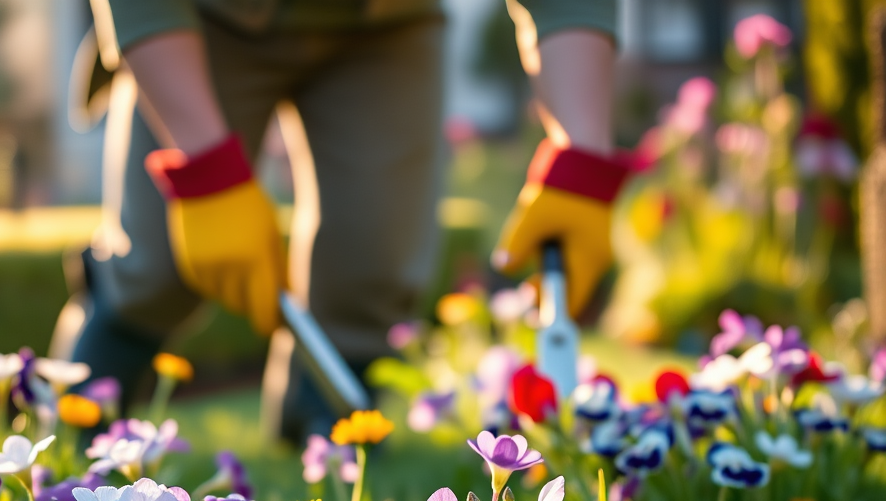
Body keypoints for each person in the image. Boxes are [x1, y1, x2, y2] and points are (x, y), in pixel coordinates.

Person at [59, 0, 629, 441]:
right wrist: (205, 171)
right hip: (206, 18)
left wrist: (582, 158)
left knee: (371, 265)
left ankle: (325, 435)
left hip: (385, 26)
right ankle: (74, 413)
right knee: (162, 267)